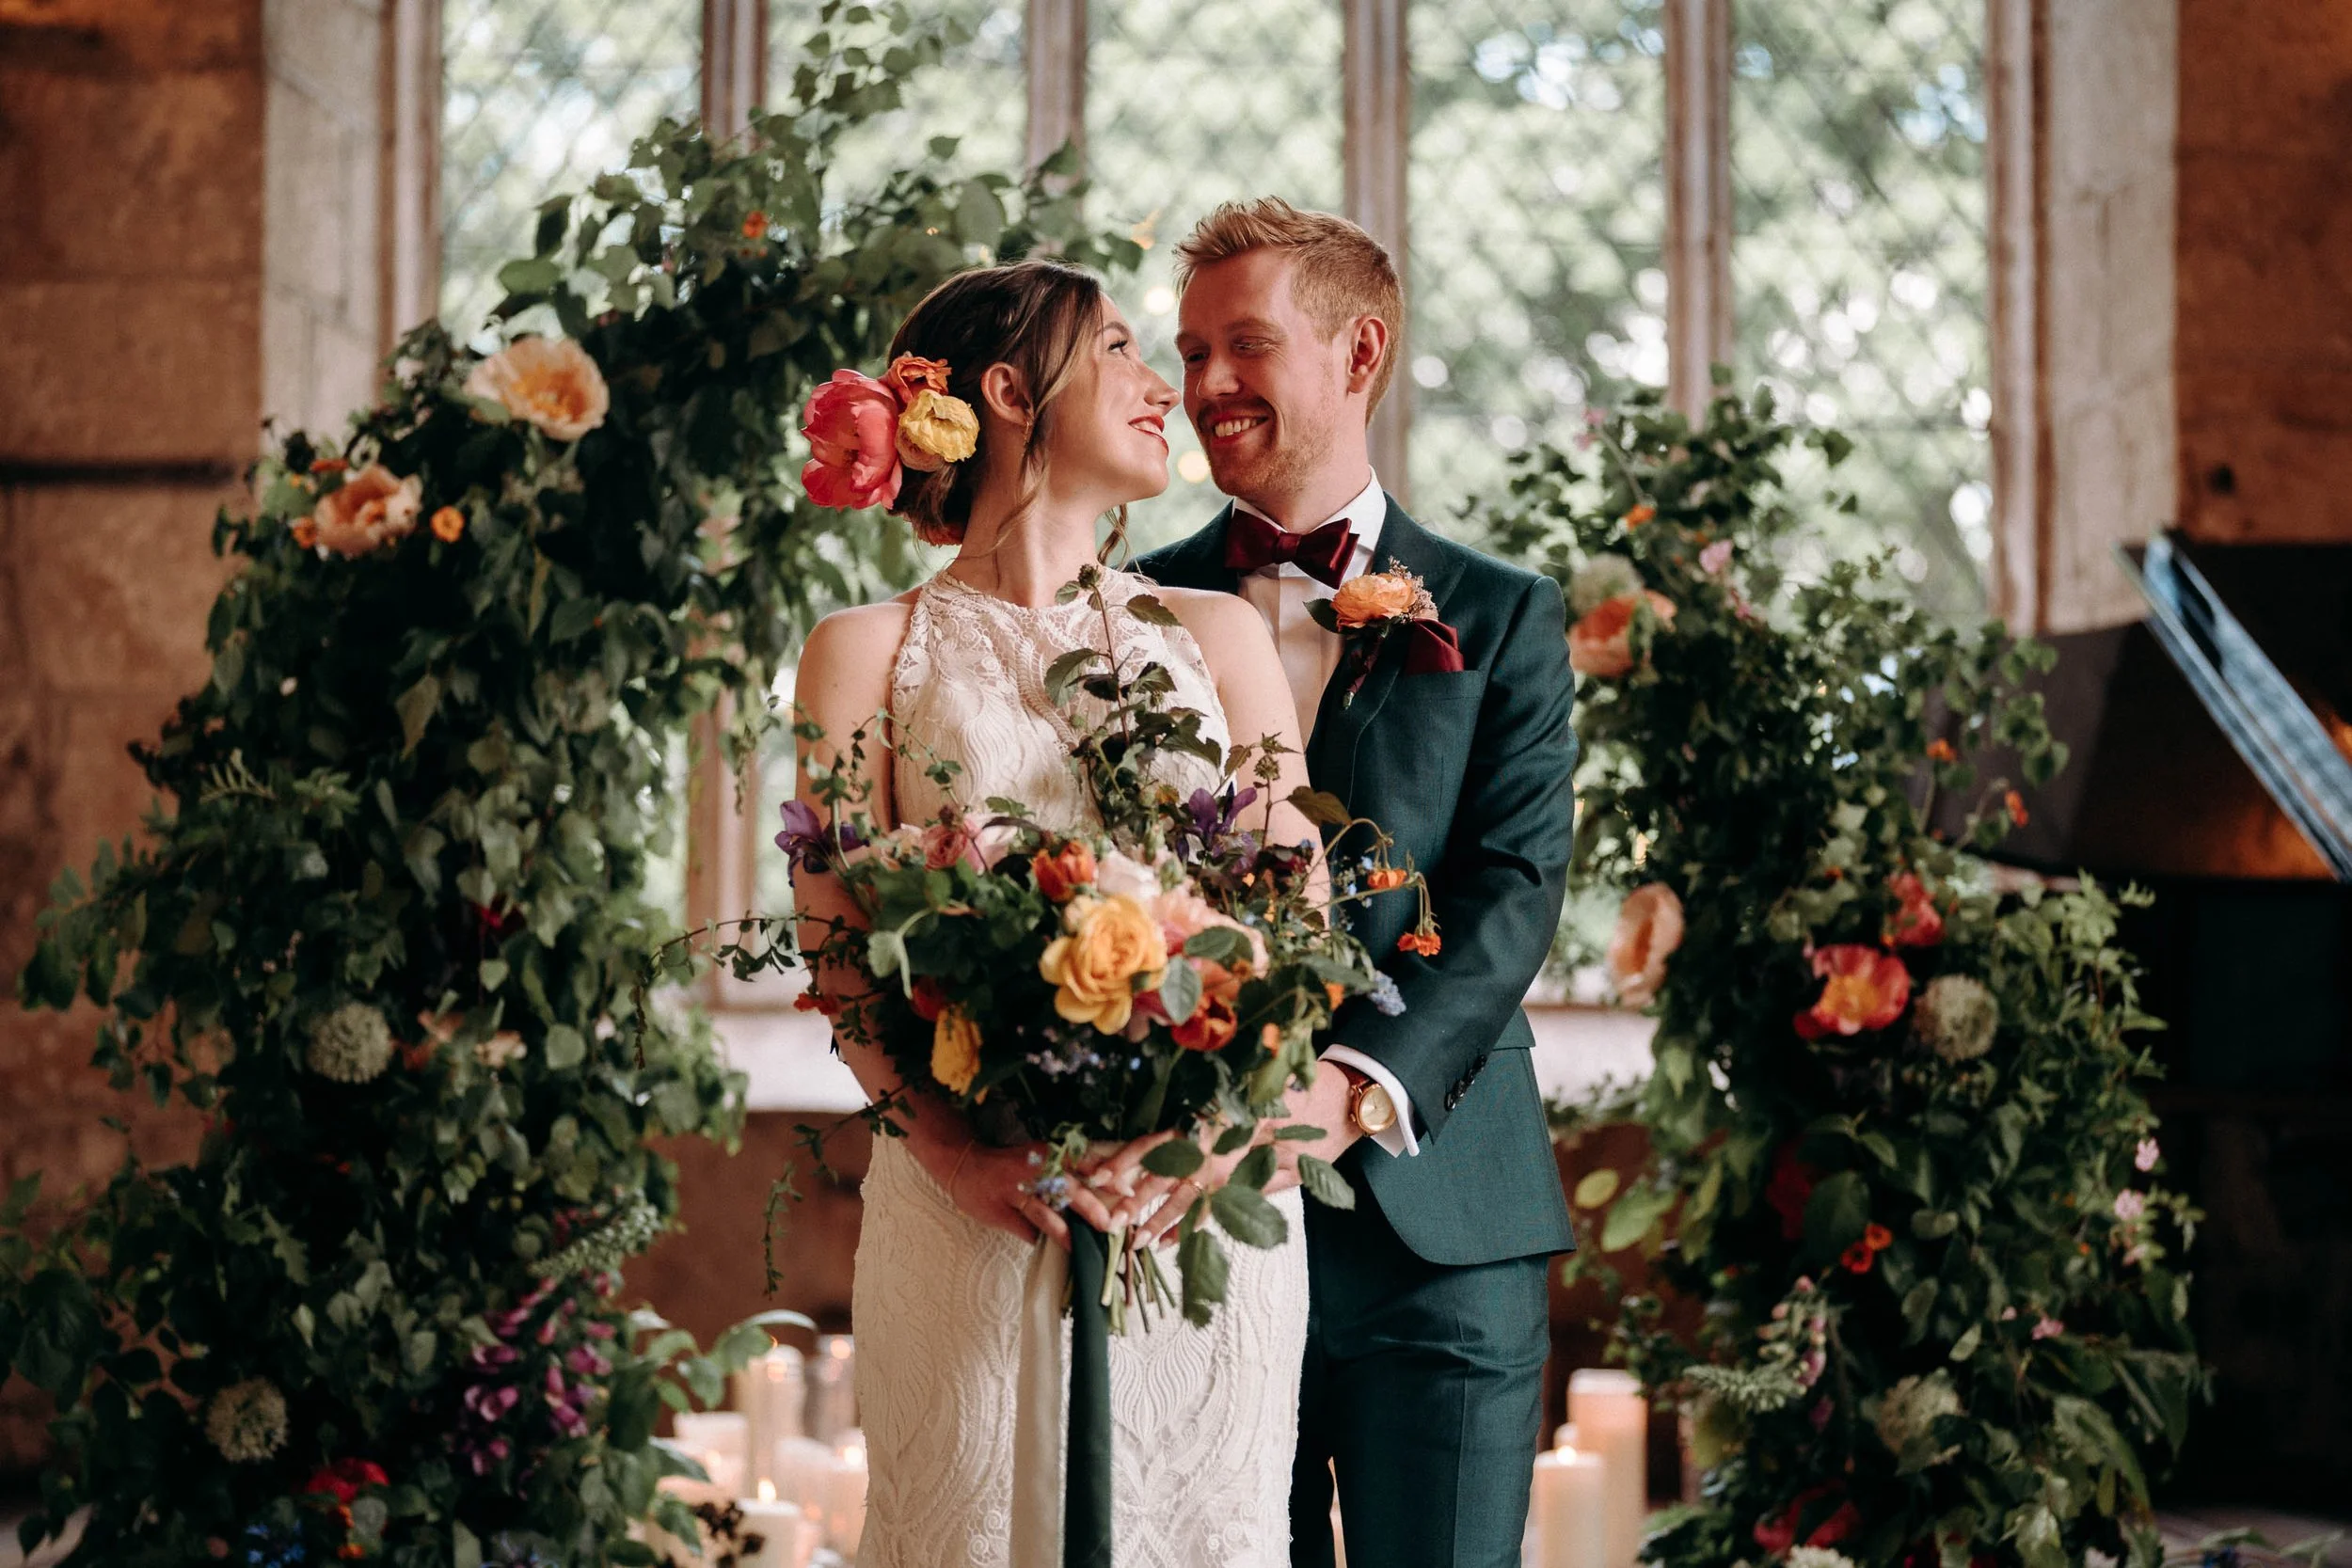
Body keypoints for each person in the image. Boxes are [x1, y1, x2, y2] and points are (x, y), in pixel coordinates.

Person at [789, 258, 1350, 1567]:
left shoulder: (1221, 639)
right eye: (1121, 350)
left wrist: (1215, 1145)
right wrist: (958, 1156)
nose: (1170, 389)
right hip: (972, 1208)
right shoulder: (863, 651)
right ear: (1009, 391)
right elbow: (834, 947)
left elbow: (1304, 931)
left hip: (1193, 1213)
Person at [1132, 198, 1581, 1568]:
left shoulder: (1501, 611)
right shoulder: (1125, 611)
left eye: (1246, 345)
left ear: (1360, 351)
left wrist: (1347, 1088)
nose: (1205, 385)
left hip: (1441, 1221)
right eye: (1191, 349)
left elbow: (1514, 887)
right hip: (1201, 1228)